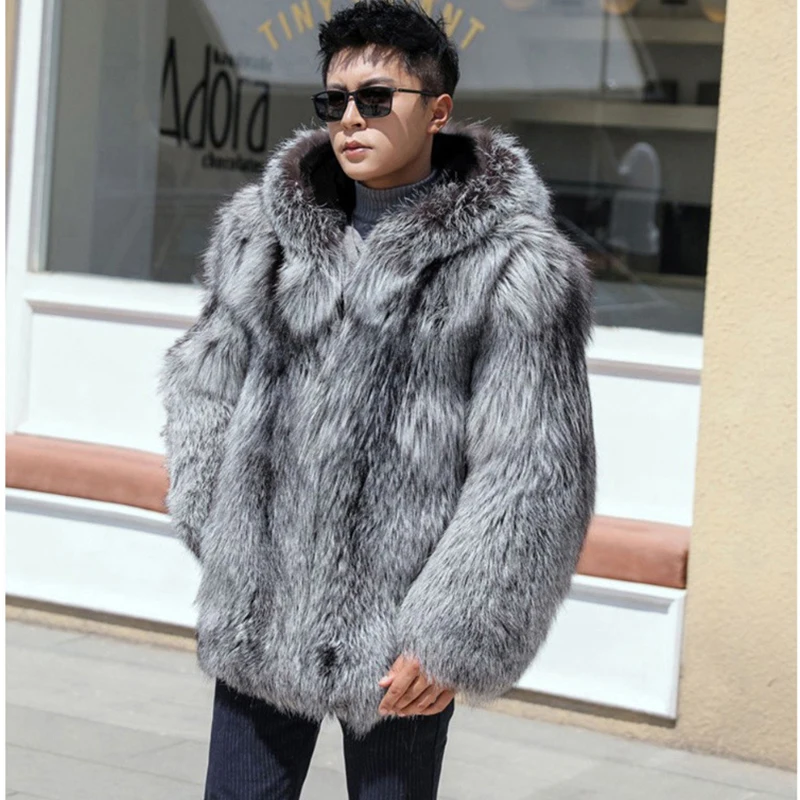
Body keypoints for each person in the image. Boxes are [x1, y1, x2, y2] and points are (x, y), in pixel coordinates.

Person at [156, 2, 597, 798]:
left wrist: (455, 629)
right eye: (334, 100)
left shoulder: (514, 265)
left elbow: (532, 466)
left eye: (375, 97)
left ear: (437, 110)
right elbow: (205, 384)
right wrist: (224, 533)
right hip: (263, 612)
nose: (350, 118)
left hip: (402, 635)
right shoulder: (263, 233)